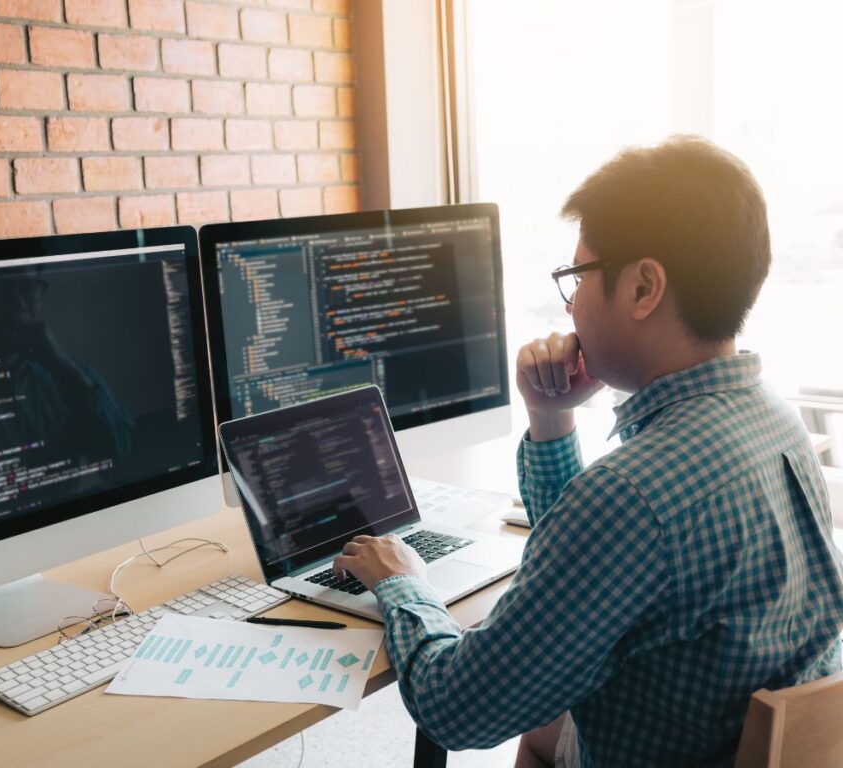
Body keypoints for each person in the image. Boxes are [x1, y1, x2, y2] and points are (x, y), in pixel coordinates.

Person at [332, 136, 843, 767]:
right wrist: (552, 419)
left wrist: (404, 584)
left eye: (577, 278)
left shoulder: (635, 494)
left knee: (527, 713)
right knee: (545, 717)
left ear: (643, 287)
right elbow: (586, 588)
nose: (569, 307)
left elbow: (455, 709)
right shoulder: (774, 418)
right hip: (726, 737)